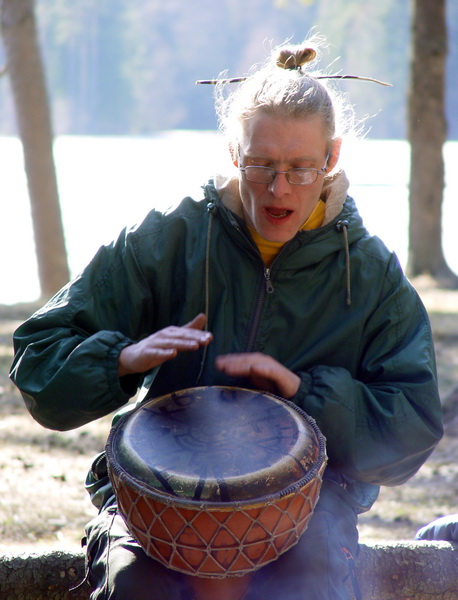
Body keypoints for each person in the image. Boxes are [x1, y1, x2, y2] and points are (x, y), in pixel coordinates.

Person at [10, 36, 443, 600]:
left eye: (300, 168)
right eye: (261, 164)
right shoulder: (169, 237)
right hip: (157, 495)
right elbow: (39, 357)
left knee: (303, 586)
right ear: (235, 153)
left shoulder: (369, 273)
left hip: (311, 504)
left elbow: (411, 427)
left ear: (332, 158)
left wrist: (306, 393)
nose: (278, 188)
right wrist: (119, 361)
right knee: (137, 586)